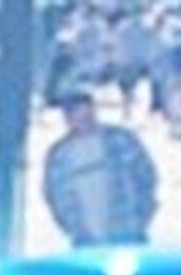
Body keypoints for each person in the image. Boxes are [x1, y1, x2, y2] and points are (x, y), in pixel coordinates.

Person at [40, 87, 158, 247]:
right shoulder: (59, 155)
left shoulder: (122, 141)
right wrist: (71, 226)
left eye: (88, 114)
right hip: (86, 239)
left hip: (128, 234)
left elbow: (146, 176)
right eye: (77, 116)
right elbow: (53, 194)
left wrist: (142, 214)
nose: (84, 121)